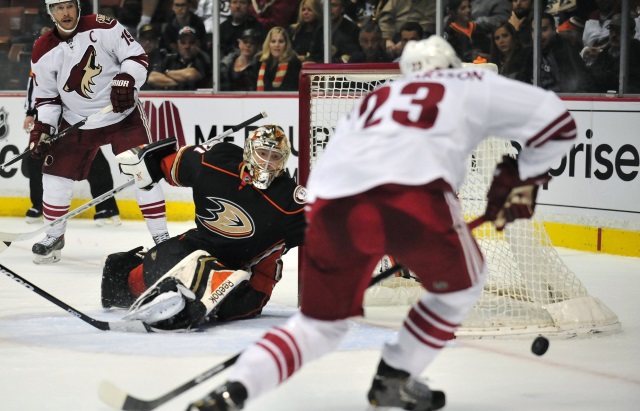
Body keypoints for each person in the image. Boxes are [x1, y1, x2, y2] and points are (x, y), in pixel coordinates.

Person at [186, 35, 577, 411]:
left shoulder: (378, 98)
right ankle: (395, 375)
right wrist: (525, 176)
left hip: (333, 209)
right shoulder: (469, 80)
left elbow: (328, 183)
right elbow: (559, 123)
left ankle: (233, 391)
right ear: (452, 66)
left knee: (318, 328)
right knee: (465, 285)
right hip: (414, 201)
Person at [101, 125, 306, 331]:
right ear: (249, 152)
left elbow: (329, 234)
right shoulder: (214, 162)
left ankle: (186, 301)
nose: (267, 163)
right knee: (128, 282)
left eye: (275, 157)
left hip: (248, 274)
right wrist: (146, 163)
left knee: (220, 288)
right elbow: (169, 164)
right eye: (262, 153)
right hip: (200, 247)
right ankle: (146, 280)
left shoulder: (289, 203)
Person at [29, 0, 169, 264]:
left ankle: (162, 238)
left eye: (69, 5)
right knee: (54, 177)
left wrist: (127, 78)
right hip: (75, 120)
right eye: (58, 8)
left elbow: (137, 57)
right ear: (50, 12)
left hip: (121, 115)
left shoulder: (103, 26)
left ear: (77, 6)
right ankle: (54, 235)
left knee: (143, 171)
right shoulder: (42, 49)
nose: (65, 12)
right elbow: (47, 98)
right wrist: (44, 129)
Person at [24, 71, 122, 226]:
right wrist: (30, 112)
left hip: (77, 113)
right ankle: (39, 205)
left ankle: (107, 207)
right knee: (36, 156)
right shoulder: (44, 53)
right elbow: (34, 83)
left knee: (93, 157)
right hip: (50, 115)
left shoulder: (78, 50)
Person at [518, 12, 592, 92]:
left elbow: (582, 84)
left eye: (544, 30)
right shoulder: (529, 54)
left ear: (554, 30)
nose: (538, 35)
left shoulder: (566, 51)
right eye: (534, 31)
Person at [587, 13, 640, 93]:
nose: (614, 35)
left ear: (632, 34)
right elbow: (591, 81)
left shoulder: (636, 56)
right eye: (611, 30)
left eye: (619, 31)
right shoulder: (603, 55)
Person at [254, 26, 302, 91]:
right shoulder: (259, 61)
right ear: (268, 44)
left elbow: (292, 89)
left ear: (286, 44)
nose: (277, 45)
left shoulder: (293, 62)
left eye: (281, 41)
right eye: (273, 41)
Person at [137, 24, 169, 90]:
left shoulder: (164, 58)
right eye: (144, 39)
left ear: (157, 41)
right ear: (139, 41)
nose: (147, 42)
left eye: (151, 39)